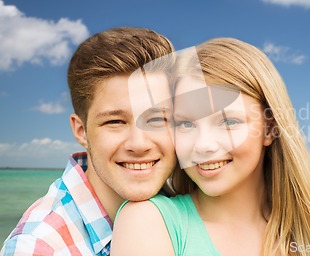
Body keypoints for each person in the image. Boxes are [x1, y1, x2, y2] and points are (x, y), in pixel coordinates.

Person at [111, 38, 310, 256]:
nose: (203, 145)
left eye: (228, 122)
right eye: (185, 123)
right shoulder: (150, 222)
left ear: (269, 129)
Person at [0, 27, 177, 255]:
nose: (139, 144)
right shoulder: (40, 246)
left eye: (156, 119)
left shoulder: (186, 207)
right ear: (81, 131)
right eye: (115, 122)